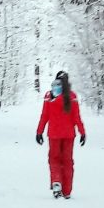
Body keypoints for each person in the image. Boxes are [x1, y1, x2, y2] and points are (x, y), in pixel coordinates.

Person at [35, 70, 86, 199]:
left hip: (54, 134)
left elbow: (44, 116)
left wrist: (39, 132)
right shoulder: (72, 96)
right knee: (68, 161)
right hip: (69, 135)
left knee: (54, 159)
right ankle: (67, 191)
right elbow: (76, 117)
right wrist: (82, 132)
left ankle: (56, 182)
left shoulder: (49, 96)